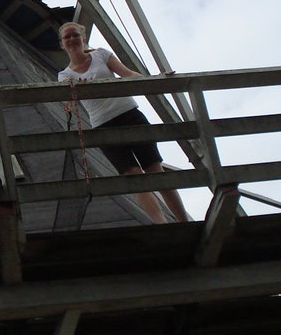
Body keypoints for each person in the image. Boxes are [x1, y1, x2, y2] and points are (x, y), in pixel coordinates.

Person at [57, 22, 189, 224]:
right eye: (67, 37)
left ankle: (184, 222)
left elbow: (128, 74)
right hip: (103, 125)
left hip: (128, 114)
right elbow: (68, 99)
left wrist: (154, 79)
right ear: (62, 44)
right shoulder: (65, 75)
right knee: (133, 176)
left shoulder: (101, 55)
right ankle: (161, 223)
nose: (72, 39)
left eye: (75, 35)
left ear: (83, 38)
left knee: (154, 168)